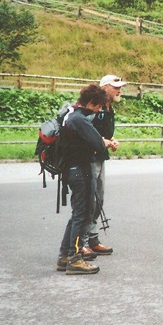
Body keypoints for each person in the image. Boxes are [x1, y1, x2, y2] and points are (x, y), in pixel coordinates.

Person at [56, 85, 115, 275]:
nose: (99, 111)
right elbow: (98, 143)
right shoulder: (80, 120)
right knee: (83, 214)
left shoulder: (70, 115)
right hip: (83, 171)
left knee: (77, 214)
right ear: (91, 103)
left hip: (72, 170)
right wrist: (105, 143)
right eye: (98, 107)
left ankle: (65, 255)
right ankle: (75, 258)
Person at [82, 74, 124, 257]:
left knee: (98, 199)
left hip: (100, 156)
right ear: (105, 87)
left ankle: (92, 239)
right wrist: (104, 141)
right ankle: (81, 242)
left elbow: (102, 132)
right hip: (88, 158)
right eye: (116, 87)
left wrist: (110, 140)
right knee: (88, 200)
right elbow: (85, 130)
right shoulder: (94, 107)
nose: (119, 90)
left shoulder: (109, 108)